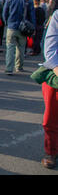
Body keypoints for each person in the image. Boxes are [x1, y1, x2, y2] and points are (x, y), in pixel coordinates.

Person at [38, 10, 58, 169]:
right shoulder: (57, 15)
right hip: (56, 74)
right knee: (51, 117)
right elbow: (50, 49)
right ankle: (51, 151)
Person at [2, 0, 36, 75]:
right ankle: (19, 66)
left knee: (10, 47)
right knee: (21, 48)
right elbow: (32, 15)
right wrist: (33, 27)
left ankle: (9, 68)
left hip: (12, 26)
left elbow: (5, 13)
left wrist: (7, 22)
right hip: (23, 27)